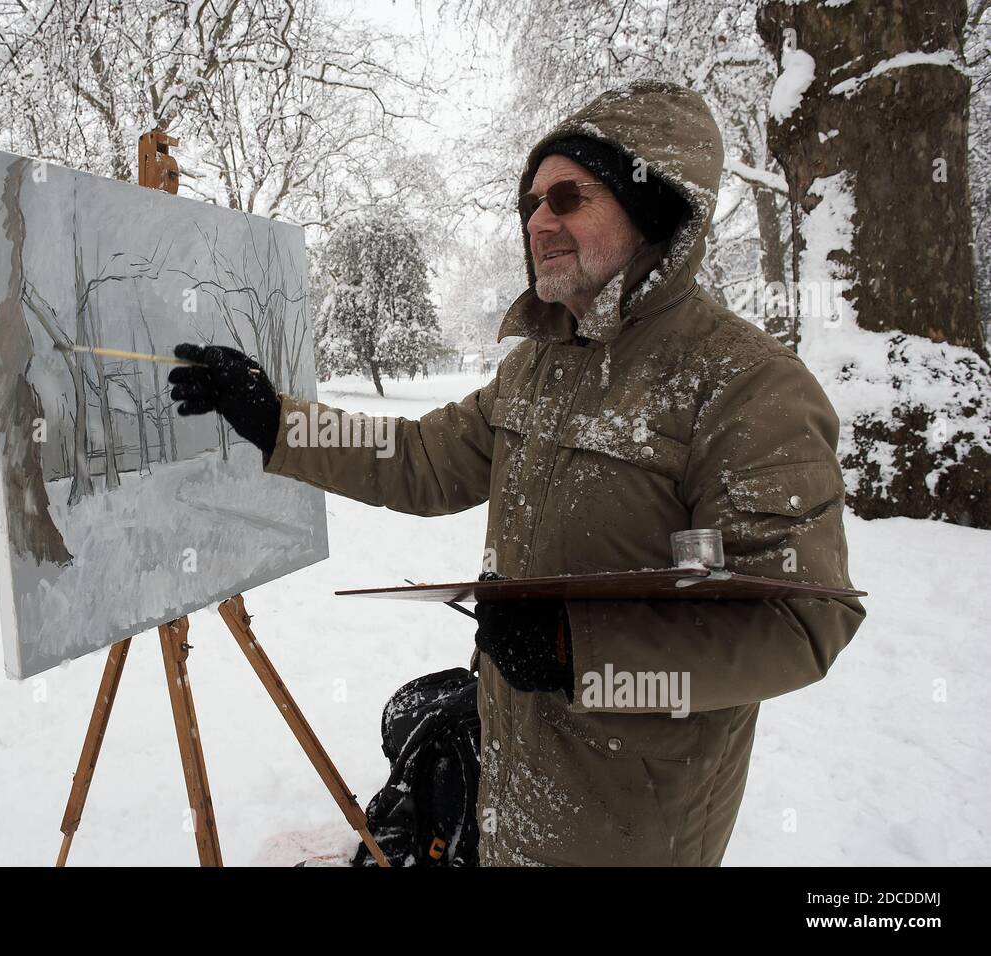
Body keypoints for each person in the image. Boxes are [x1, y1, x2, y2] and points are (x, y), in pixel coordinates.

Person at [168, 79, 865, 867]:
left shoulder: (742, 384)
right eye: (530, 200)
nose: (538, 220)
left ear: (655, 208)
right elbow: (424, 459)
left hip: (632, 829)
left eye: (568, 196)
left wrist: (580, 651)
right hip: (510, 789)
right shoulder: (539, 366)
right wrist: (277, 420)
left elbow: (801, 624)